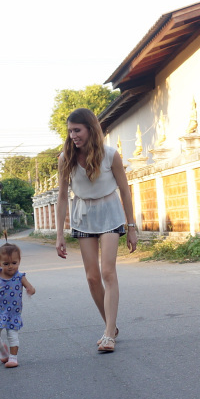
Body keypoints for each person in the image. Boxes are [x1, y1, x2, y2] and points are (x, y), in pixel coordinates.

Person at [55, 108, 137, 353]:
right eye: (70, 131)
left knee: (107, 272)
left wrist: (131, 226)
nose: (73, 136)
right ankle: (110, 325)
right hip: (83, 217)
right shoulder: (65, 158)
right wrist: (60, 234)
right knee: (92, 278)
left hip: (110, 213)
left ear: (91, 129)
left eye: (77, 130)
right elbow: (61, 198)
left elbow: (125, 191)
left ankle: (109, 334)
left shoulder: (111, 155)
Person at [0, 242, 36, 368]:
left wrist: (30, 290)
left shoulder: (20, 277)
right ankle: (3, 351)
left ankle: (13, 358)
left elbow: (31, 288)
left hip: (13, 313)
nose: (11, 267)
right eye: (6, 264)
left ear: (19, 261)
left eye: (14, 263)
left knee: (12, 335)